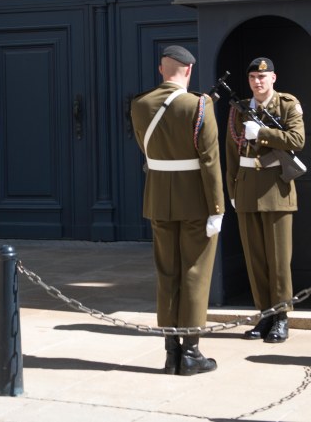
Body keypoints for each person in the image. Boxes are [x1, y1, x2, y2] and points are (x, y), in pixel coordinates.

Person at [130, 44, 224, 375]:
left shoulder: (140, 104)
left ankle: (171, 353)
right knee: (195, 272)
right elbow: (210, 161)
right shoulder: (199, 105)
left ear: (161, 70)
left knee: (167, 273)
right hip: (196, 200)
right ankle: (191, 353)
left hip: (158, 198)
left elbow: (146, 149)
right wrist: (217, 207)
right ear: (189, 70)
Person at [225, 56, 306, 343]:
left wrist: (262, 133)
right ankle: (265, 314)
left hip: (275, 188)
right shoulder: (239, 109)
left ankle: (281, 317)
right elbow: (231, 154)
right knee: (255, 258)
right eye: (252, 78)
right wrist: (233, 192)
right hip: (247, 189)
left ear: (273, 78)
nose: (257, 82)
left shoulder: (287, 105)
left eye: (262, 77)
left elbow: (297, 140)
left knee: (278, 259)